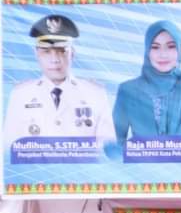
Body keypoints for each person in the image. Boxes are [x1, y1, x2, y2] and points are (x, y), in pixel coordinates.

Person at [112, 20, 181, 159]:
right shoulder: (127, 90)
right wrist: (134, 162)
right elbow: (113, 143)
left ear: (179, 50)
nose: (163, 54)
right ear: (147, 51)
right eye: (155, 47)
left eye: (171, 46)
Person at [3, 14, 115, 147]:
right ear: (37, 54)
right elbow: (9, 147)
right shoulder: (21, 94)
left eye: (62, 51)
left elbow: (108, 147)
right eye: (46, 51)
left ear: (72, 53)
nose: (55, 59)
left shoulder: (95, 93)